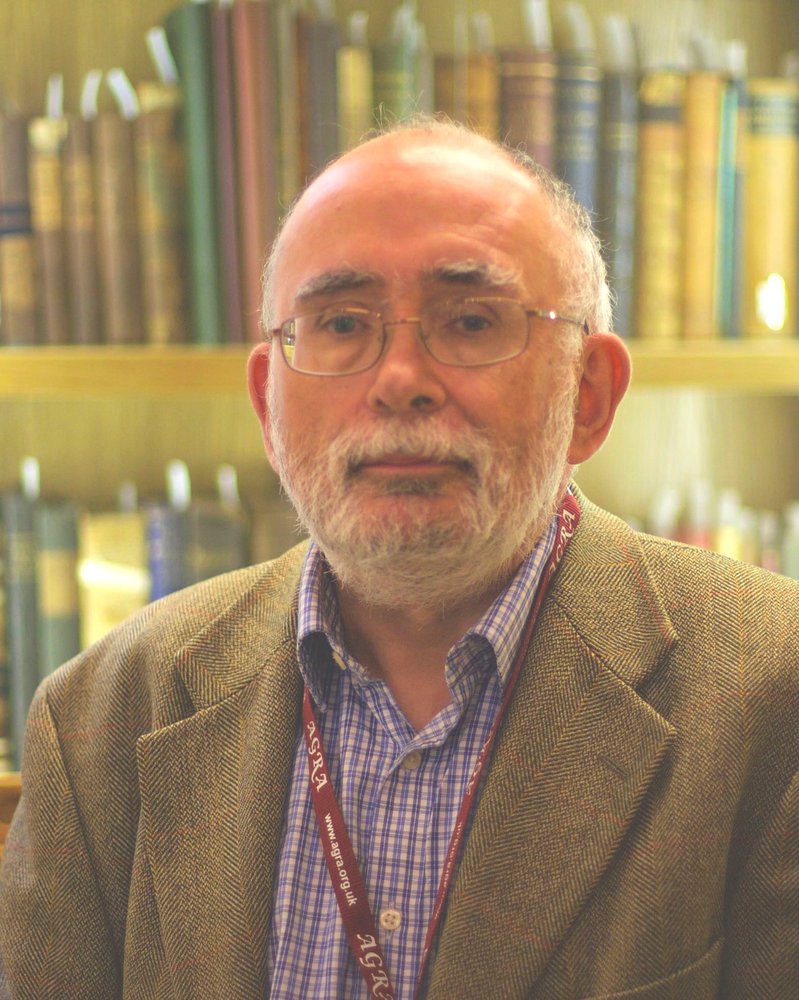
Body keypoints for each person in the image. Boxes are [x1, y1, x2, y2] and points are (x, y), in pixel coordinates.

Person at [1, 119, 798, 1000]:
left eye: (469, 320)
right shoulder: (99, 721)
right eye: (341, 323)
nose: (400, 378)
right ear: (270, 405)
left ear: (589, 394)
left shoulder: (771, 695)